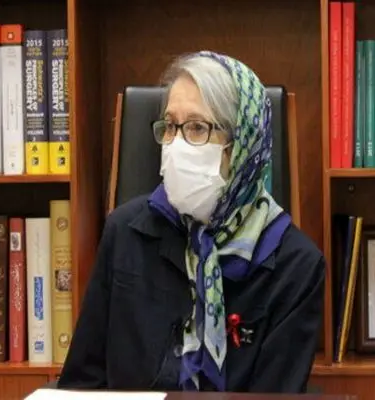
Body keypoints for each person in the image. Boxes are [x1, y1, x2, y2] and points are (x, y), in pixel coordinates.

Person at [57, 51, 325, 393]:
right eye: (170, 126)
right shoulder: (124, 232)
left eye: (197, 128)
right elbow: (82, 384)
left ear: (242, 145)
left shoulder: (295, 265)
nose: (176, 145)